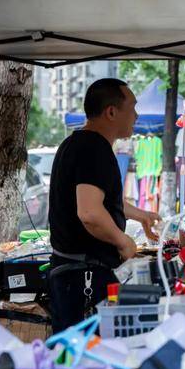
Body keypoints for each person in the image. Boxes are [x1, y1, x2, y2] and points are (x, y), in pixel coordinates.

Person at [48, 78, 161, 333]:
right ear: (111, 112)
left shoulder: (78, 143)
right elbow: (89, 212)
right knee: (86, 359)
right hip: (82, 276)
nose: (136, 115)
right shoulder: (92, 148)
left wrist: (139, 215)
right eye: (132, 107)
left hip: (74, 273)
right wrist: (122, 241)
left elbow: (104, 202)